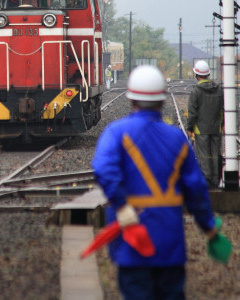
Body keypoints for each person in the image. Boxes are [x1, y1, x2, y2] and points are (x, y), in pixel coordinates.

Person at [92, 65, 228, 300]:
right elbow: (195, 189)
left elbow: (103, 169)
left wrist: (122, 205)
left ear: (131, 98)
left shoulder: (116, 132)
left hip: (131, 241)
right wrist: (209, 228)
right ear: (162, 100)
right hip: (169, 244)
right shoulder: (176, 138)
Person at [186, 60, 224, 188]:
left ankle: (207, 182)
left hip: (201, 130)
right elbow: (222, 109)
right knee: (215, 154)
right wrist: (222, 124)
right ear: (208, 74)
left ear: (196, 75)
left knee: (204, 156)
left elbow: (192, 112)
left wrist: (189, 127)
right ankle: (216, 181)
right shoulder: (218, 89)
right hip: (216, 129)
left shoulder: (196, 91)